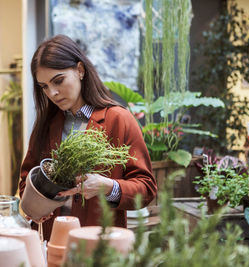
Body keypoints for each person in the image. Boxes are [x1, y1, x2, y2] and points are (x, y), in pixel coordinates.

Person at [19, 34, 157, 241]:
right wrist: (37, 205)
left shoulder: (118, 119)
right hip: (50, 240)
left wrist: (109, 187)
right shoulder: (46, 124)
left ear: (80, 70)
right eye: (44, 86)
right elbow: (27, 179)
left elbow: (146, 189)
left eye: (58, 80)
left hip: (98, 243)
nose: (53, 93)